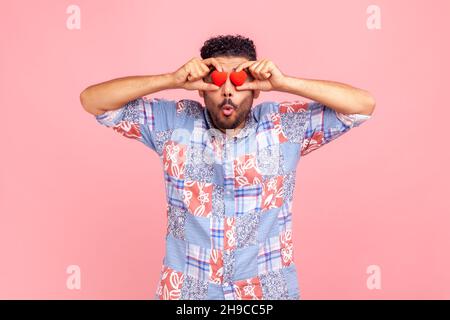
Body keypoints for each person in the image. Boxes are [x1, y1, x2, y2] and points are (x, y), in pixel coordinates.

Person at [80, 34, 375, 300]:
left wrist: (283, 83)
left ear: (257, 90)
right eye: (220, 82)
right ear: (202, 89)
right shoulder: (173, 122)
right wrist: (171, 79)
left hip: (266, 291)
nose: (228, 92)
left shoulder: (284, 126)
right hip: (188, 293)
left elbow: (362, 105)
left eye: (240, 83)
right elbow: (94, 102)